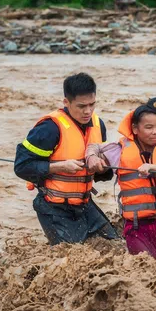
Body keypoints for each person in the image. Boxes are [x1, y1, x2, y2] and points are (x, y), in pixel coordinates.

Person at [86, 97, 156, 262]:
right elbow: (94, 147)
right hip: (139, 228)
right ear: (135, 129)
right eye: (149, 127)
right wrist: (92, 157)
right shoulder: (120, 150)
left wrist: (155, 167)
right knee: (147, 268)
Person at [14, 73, 118, 245]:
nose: (88, 111)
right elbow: (22, 166)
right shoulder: (49, 128)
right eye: (81, 106)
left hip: (84, 204)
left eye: (92, 104)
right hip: (53, 207)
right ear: (66, 103)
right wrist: (59, 167)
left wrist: (103, 168)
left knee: (116, 246)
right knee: (73, 258)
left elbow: (101, 176)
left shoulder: (99, 125)